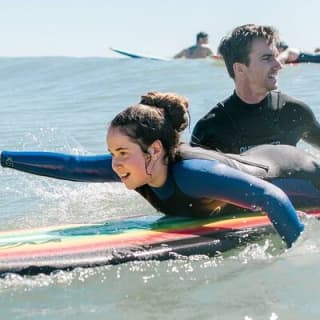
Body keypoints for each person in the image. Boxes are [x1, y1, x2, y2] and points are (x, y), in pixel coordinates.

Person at [6, 91, 320, 248]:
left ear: (154, 150)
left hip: (297, 174)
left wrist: (291, 256)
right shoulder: (137, 165)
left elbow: (271, 195)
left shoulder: (192, 174)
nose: (116, 163)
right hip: (259, 159)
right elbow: (72, 166)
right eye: (112, 153)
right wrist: (3, 158)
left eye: (122, 152)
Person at [190, 24, 320, 154]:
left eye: (276, 56)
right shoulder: (211, 129)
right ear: (240, 69)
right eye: (267, 58)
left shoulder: (295, 112)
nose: (278, 65)